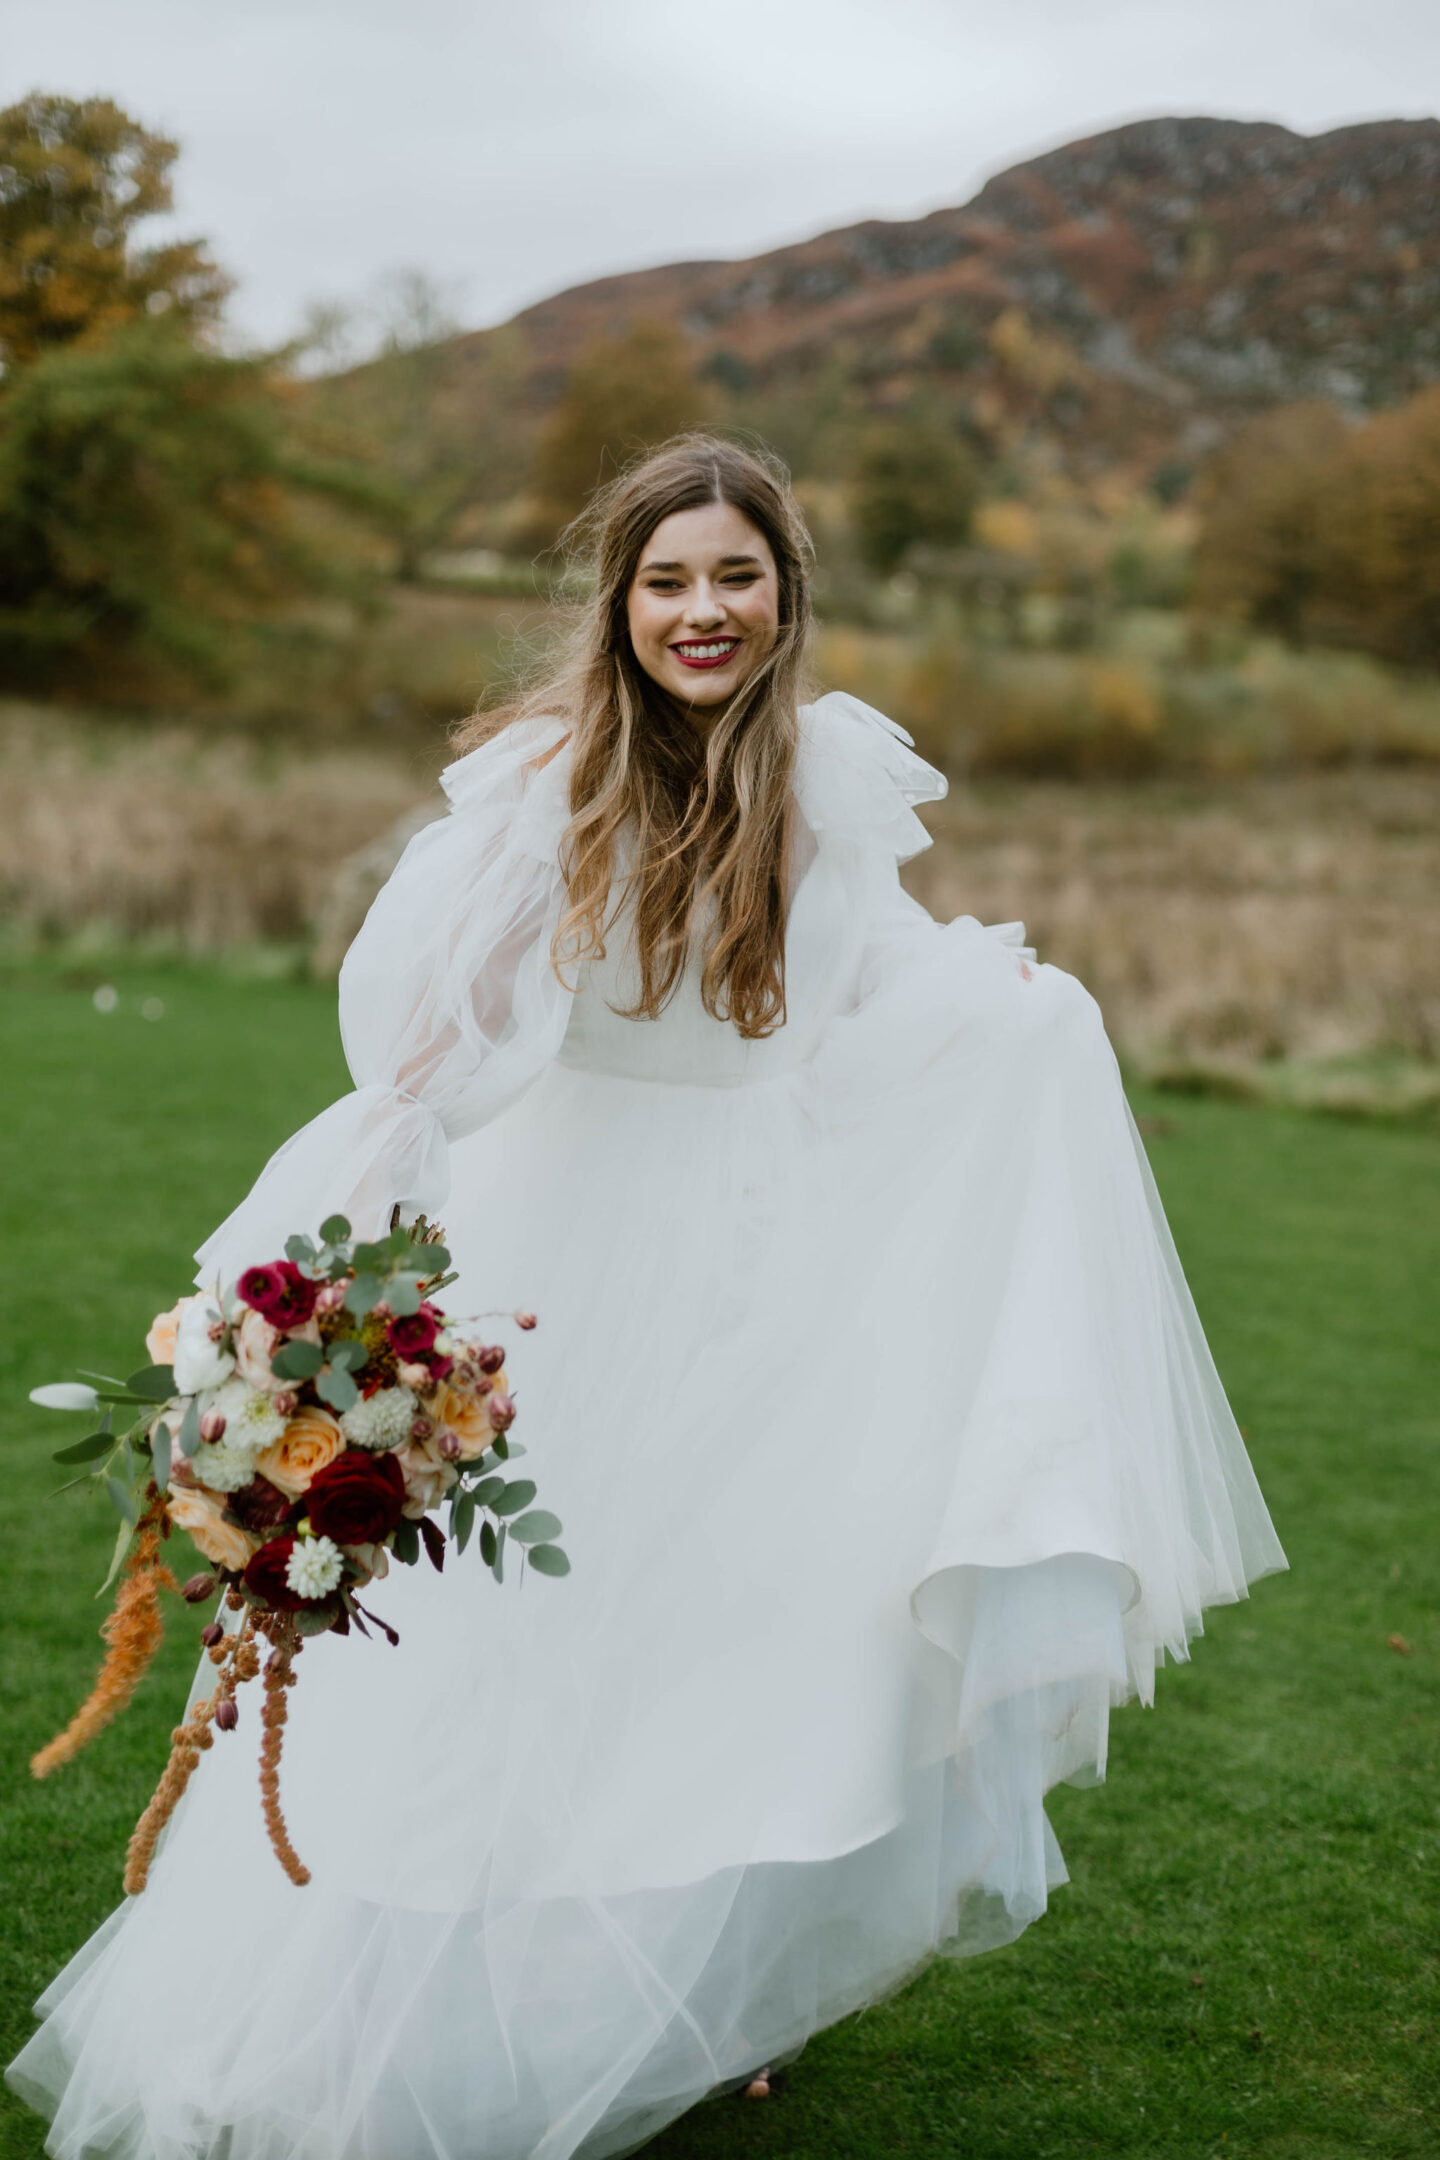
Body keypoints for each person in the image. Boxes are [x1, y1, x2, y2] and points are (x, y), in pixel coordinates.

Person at [9, 434, 1285, 2160]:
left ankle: (673, 2000)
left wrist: (1022, 1009)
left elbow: (877, 990)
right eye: (668, 579)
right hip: (560, 1267)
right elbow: (425, 1047)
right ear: (617, 600)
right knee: (497, 1652)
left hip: (766, 1276)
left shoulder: (830, 776)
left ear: (787, 594)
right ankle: (384, 2024)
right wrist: (336, 1287)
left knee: (719, 1649)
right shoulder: (549, 787)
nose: (704, 610)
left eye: (736, 576)